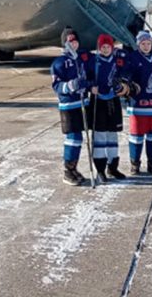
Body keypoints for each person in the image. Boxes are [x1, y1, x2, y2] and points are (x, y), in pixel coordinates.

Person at [51, 27, 92, 185]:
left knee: (79, 137)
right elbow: (56, 85)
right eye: (70, 42)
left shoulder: (80, 59)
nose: (73, 44)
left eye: (75, 41)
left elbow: (86, 77)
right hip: (69, 105)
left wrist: (88, 85)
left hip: (82, 102)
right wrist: (70, 86)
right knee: (73, 138)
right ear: (64, 44)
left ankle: (74, 168)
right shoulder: (59, 63)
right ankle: (67, 170)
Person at [88, 33, 129, 182]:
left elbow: (125, 72)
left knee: (112, 134)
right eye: (103, 47)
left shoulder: (117, 61)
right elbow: (86, 78)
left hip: (113, 100)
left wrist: (124, 83)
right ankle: (100, 169)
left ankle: (113, 167)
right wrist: (90, 87)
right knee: (100, 135)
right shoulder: (94, 61)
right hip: (98, 101)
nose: (105, 49)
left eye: (108, 47)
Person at [124, 31, 152, 176]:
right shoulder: (132, 57)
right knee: (136, 136)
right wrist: (127, 84)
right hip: (138, 105)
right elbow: (125, 75)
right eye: (143, 43)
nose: (146, 46)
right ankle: (135, 164)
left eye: (148, 43)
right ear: (138, 44)